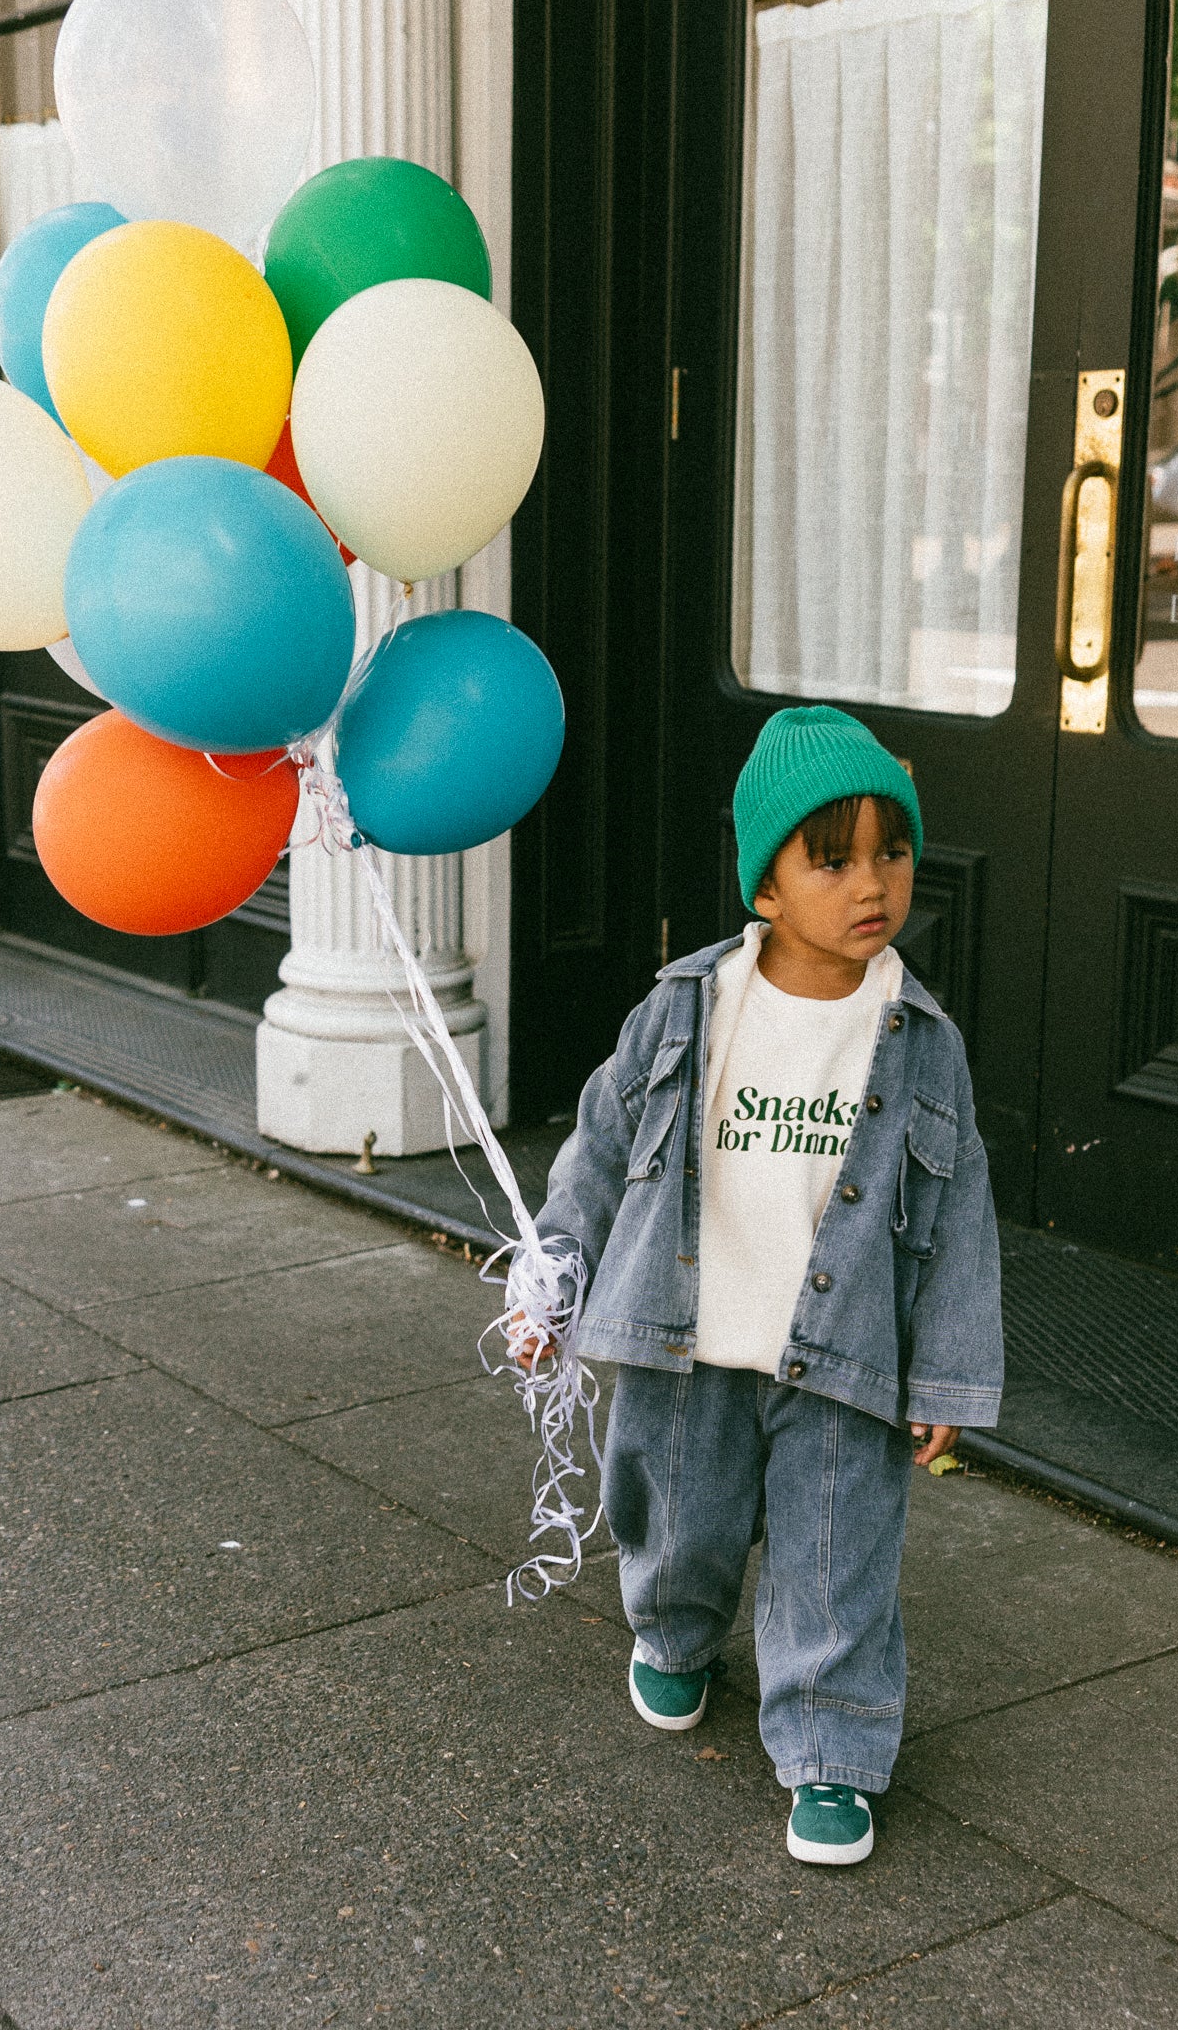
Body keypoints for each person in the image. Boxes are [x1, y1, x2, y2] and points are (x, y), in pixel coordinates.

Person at [509, 704, 1002, 1866]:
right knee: (677, 1516)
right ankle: (675, 1627)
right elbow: (598, 1146)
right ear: (766, 888)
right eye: (832, 857)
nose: (871, 881)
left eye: (892, 849)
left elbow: (957, 1211)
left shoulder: (919, 1038)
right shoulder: (691, 1005)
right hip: (689, 1335)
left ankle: (833, 1746)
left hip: (843, 1351)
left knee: (840, 1555)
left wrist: (946, 1369)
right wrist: (555, 1274)